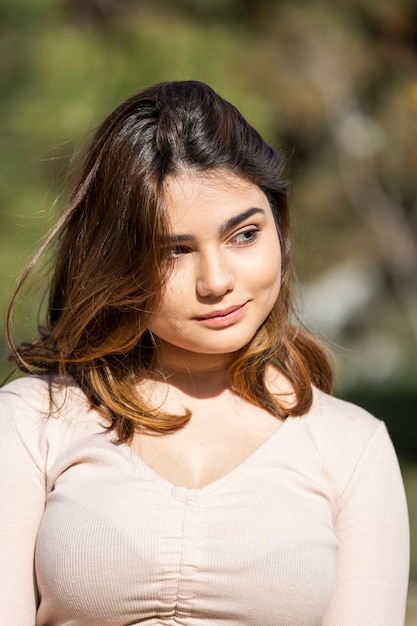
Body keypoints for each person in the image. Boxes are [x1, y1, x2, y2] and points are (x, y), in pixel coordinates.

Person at [0, 80, 409, 626]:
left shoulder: (351, 448)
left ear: (279, 232)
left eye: (243, 235)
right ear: (116, 259)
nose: (216, 282)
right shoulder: (30, 423)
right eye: (174, 250)